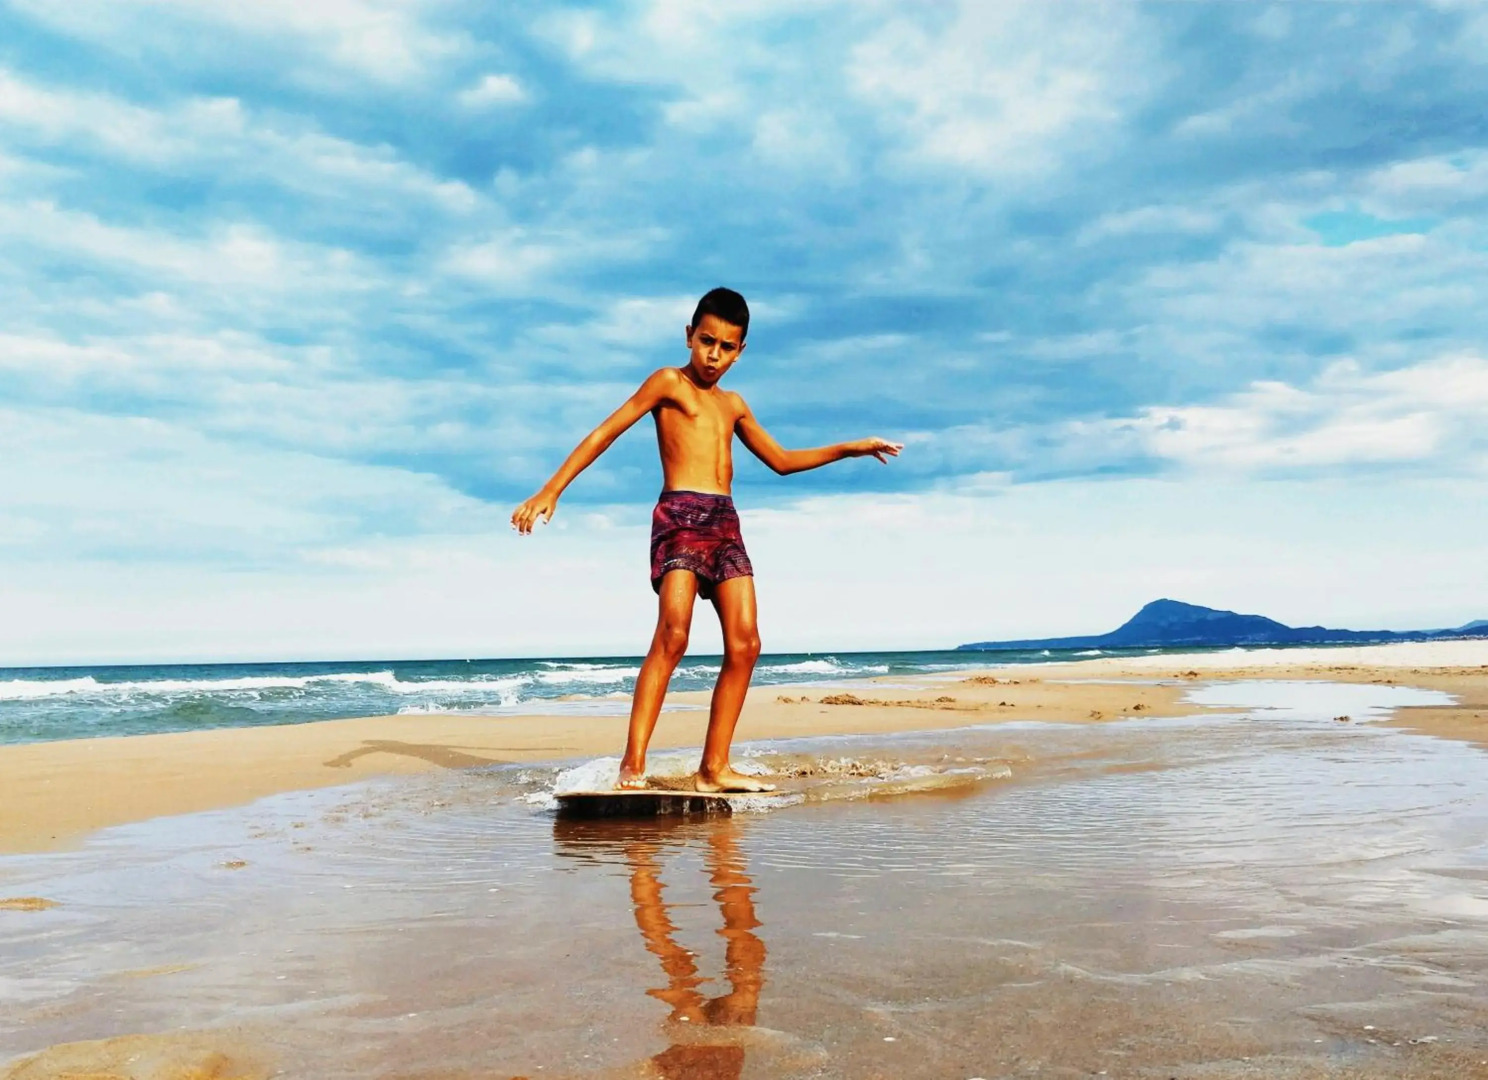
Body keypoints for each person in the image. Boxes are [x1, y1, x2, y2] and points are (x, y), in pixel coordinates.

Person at [510, 287, 901, 792]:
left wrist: (851, 448)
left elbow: (781, 462)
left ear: (741, 351)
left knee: (747, 644)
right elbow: (606, 432)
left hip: (725, 522)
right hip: (680, 516)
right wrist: (551, 489)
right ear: (689, 336)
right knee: (673, 636)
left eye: (726, 346)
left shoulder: (733, 405)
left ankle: (713, 768)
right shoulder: (668, 383)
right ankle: (632, 766)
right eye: (706, 341)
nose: (713, 355)